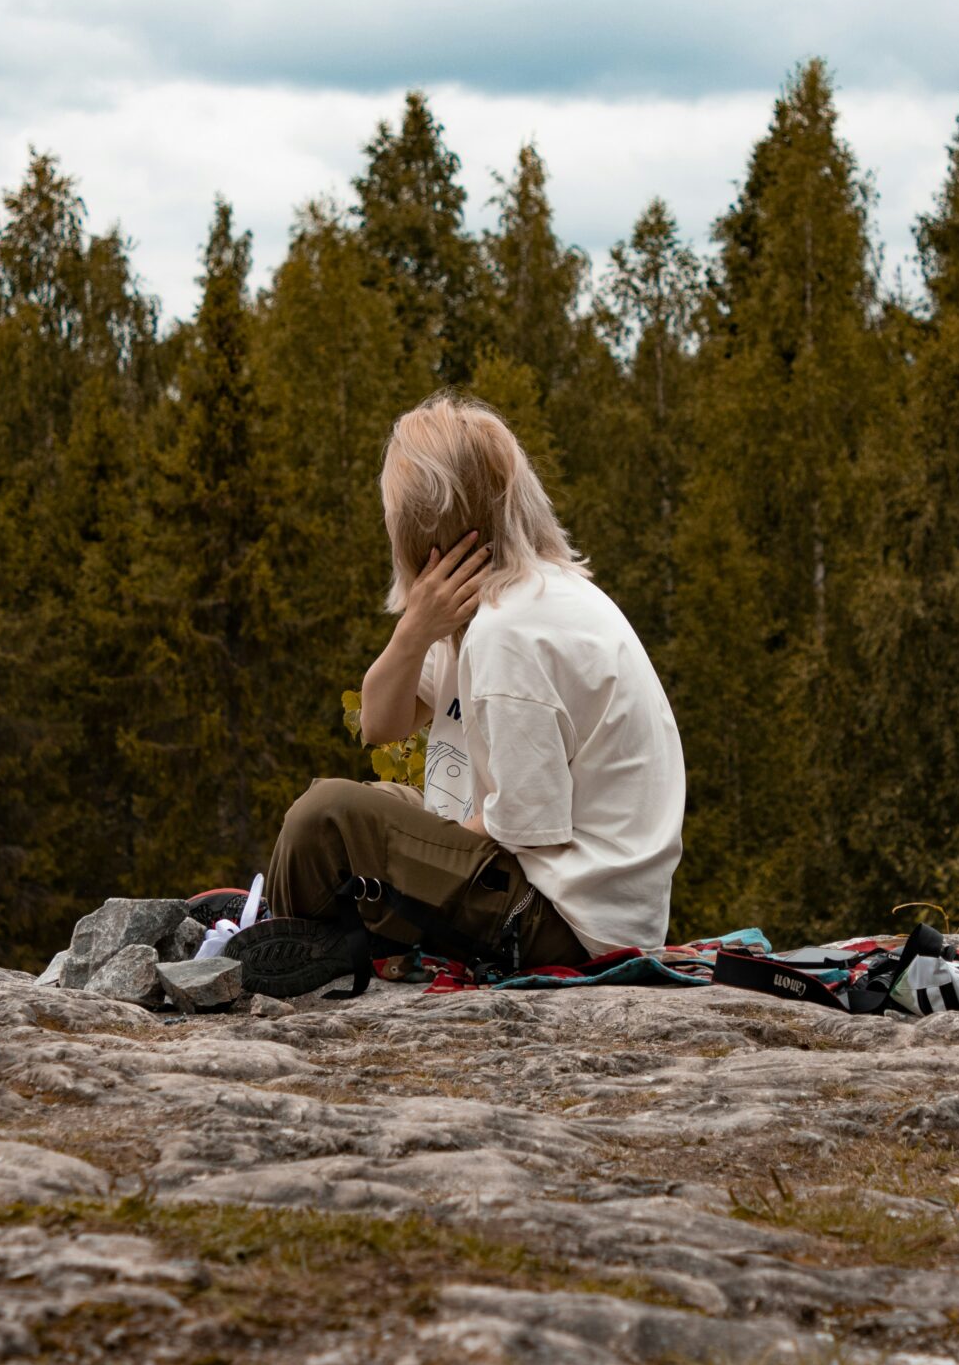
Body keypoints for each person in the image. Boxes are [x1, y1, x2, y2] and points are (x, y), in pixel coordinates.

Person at [229, 392, 686, 998]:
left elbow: (526, 827)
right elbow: (379, 723)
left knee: (329, 818)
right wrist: (414, 629)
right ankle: (302, 947)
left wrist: (386, 857)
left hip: (570, 924)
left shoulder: (510, 634)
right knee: (373, 805)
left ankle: (284, 971)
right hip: (554, 886)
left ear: (422, 534)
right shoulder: (496, 603)